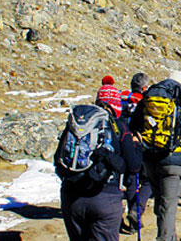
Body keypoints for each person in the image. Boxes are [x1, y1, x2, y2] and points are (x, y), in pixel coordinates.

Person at [56, 78, 141, 241]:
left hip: (71, 196)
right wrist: (137, 146)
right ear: (116, 104)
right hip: (104, 197)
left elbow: (58, 160)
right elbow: (133, 166)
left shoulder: (77, 124)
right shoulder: (118, 126)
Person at [130, 71, 181, 241]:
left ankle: (169, 236)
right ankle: (165, 238)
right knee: (169, 206)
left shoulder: (150, 97)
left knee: (160, 202)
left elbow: (134, 125)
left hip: (150, 159)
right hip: (173, 160)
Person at [119, 73, 152, 235]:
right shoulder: (145, 102)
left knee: (131, 180)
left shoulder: (123, 100)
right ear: (144, 87)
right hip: (142, 144)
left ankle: (132, 216)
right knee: (147, 181)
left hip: (124, 146)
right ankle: (136, 211)